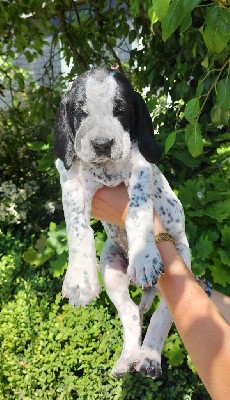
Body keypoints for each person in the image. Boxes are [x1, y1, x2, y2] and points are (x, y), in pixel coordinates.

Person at [91, 183, 230, 400]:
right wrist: (198, 287)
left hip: (157, 238)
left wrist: (143, 224)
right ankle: (134, 345)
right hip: (122, 245)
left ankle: (150, 346)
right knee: (114, 280)